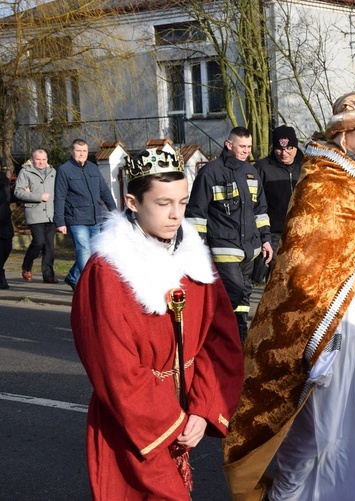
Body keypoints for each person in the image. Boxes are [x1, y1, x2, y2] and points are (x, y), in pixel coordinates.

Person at [222, 91, 355, 501]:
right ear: (344, 132)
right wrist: (313, 334)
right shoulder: (320, 183)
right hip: (333, 322)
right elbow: (304, 263)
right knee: (320, 435)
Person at [71, 147, 244, 500]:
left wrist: (202, 407)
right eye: (163, 203)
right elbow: (115, 368)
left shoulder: (194, 260)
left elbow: (218, 339)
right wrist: (169, 420)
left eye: (182, 202)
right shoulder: (108, 272)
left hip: (183, 410)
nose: (176, 214)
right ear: (132, 202)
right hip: (132, 422)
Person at [185, 126, 273, 339]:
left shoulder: (251, 173)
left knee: (244, 296)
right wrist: (199, 248)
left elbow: (260, 211)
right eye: (242, 146)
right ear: (229, 144)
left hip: (249, 250)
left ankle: (238, 338)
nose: (246, 151)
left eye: (249, 147)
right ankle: (231, 338)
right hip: (224, 247)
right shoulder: (210, 173)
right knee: (234, 294)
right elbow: (196, 214)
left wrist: (266, 240)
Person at [54, 139, 117, 290]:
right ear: (72, 151)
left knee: (94, 252)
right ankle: (87, 285)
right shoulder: (64, 170)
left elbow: (104, 190)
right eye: (78, 151)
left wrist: (114, 210)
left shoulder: (93, 168)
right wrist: (60, 221)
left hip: (95, 217)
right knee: (84, 251)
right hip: (76, 218)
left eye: (84, 151)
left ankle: (73, 277)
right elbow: (59, 196)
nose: (82, 154)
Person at [250, 125, 303, 284]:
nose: (284, 153)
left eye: (289, 148)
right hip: (274, 233)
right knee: (276, 280)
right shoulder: (262, 168)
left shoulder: (307, 166)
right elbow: (254, 203)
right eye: (279, 149)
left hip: (301, 231)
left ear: (295, 146)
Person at [14, 149, 58, 283]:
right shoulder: (25, 172)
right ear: (32, 160)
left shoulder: (53, 172)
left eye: (44, 159)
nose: (41, 162)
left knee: (49, 246)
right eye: (38, 159)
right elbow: (18, 192)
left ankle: (48, 275)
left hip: (51, 213)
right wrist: (38, 196)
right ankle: (26, 266)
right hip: (35, 213)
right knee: (39, 242)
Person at [0, 164, 13, 290]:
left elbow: (9, 197)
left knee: (7, 248)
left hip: (5, 221)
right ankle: (1, 277)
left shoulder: (4, 180)